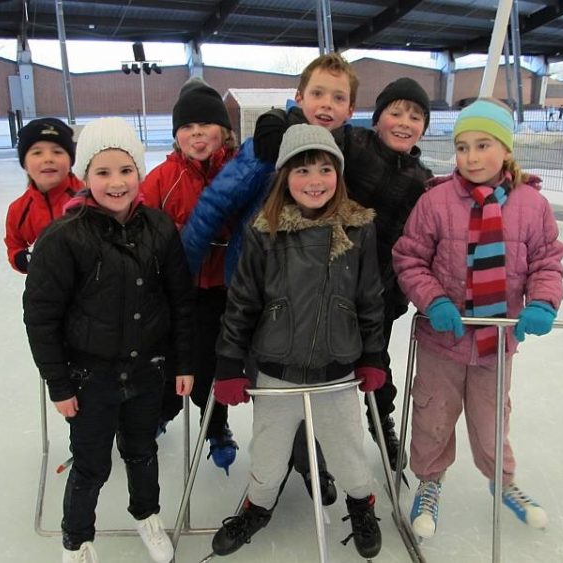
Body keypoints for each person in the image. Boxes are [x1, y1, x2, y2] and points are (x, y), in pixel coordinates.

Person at [181, 52, 360, 505]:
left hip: (319, 294)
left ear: (350, 110)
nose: (326, 103)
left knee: (317, 378)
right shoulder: (267, 146)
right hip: (261, 292)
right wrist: (180, 278)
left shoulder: (347, 152)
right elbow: (213, 205)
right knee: (274, 387)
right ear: (299, 96)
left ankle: (308, 459)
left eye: (337, 97)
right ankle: (275, 471)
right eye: (317, 93)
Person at [209, 124, 386, 559]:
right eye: (302, 170)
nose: (315, 180)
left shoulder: (358, 229)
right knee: (267, 455)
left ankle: (361, 504)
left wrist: (373, 354)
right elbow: (243, 301)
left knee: (347, 453)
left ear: (338, 176)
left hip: (336, 369)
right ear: (285, 176)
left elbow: (370, 298)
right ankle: (258, 506)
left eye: (325, 169)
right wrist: (229, 362)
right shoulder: (263, 231)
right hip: (276, 369)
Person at [22, 117, 195, 563]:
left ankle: (146, 514)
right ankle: (77, 539)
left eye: (126, 170)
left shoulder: (160, 228)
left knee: (142, 451)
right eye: (103, 172)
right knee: (91, 464)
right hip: (89, 377)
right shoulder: (63, 237)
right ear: (83, 176)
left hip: (146, 369)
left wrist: (182, 362)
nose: (116, 182)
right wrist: (59, 385)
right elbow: (41, 318)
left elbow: (180, 301)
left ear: (139, 172)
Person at [392, 98, 563, 539]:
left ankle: (503, 482)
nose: (470, 157)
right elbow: (409, 259)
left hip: (497, 342)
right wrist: (435, 302)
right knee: (433, 416)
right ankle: (430, 483)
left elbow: (547, 260)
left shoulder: (532, 205)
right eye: (462, 147)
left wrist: (543, 301)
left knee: (492, 420)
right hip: (442, 340)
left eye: (482, 145)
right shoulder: (435, 201)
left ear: (506, 149)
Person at [140, 77, 239, 475]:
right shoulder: (163, 177)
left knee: (214, 364)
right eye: (187, 128)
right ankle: (160, 413)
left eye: (205, 126)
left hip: (224, 290)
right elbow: (138, 219)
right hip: (176, 291)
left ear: (224, 131)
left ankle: (216, 424)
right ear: (177, 135)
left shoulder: (237, 171)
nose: (196, 135)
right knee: (168, 360)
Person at [334, 77, 433, 472]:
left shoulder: (423, 180)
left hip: (382, 291)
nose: (404, 121)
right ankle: (315, 445)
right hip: (331, 281)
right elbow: (312, 133)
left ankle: (381, 421)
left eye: (415, 116)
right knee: (324, 361)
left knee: (377, 361)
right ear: (377, 119)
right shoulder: (353, 145)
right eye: (395, 112)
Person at [4, 117, 83, 273]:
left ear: (70, 160)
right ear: (25, 163)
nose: (48, 159)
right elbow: (14, 245)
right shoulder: (18, 210)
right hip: (46, 288)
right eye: (37, 152)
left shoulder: (88, 198)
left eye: (57, 151)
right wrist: (25, 260)